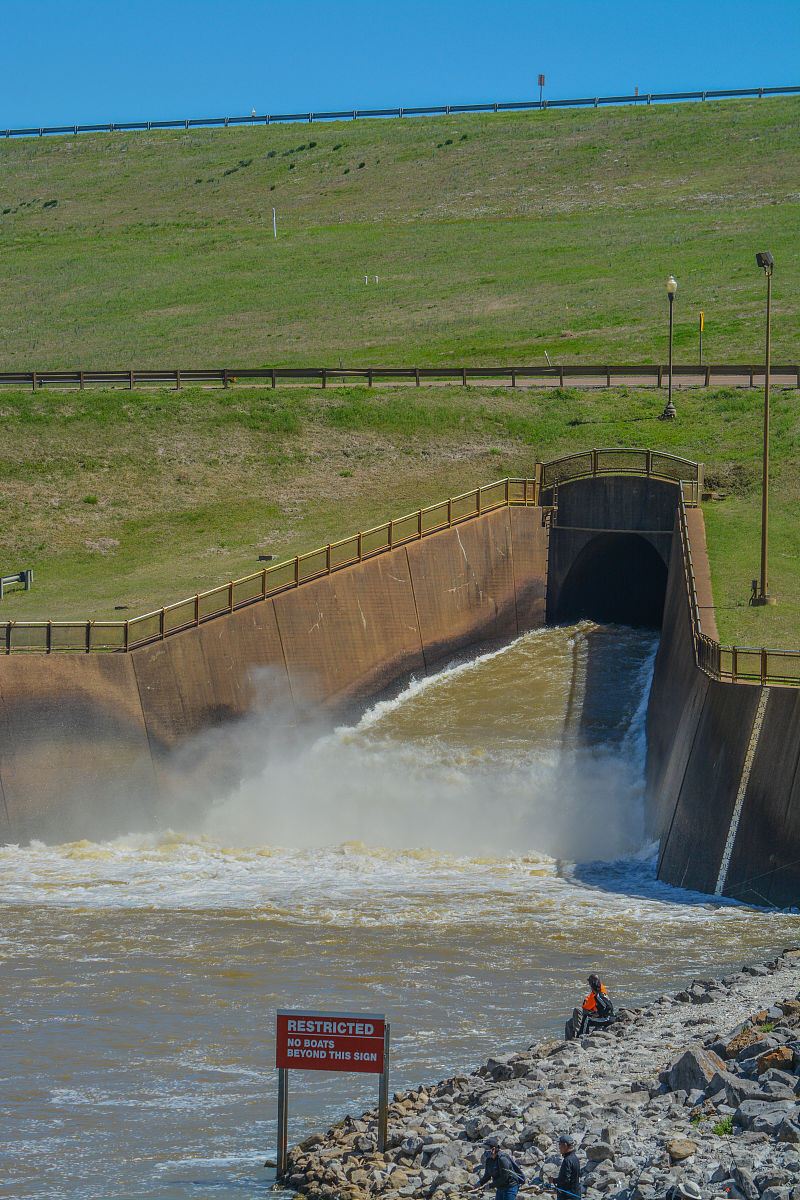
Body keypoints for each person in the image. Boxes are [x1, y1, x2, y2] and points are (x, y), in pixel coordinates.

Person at [472, 1135, 526, 1200]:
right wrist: (479, 1183)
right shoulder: (489, 1160)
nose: (485, 1151)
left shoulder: (502, 1159)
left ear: (493, 1149)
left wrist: (490, 1185)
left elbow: (504, 1177)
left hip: (510, 1187)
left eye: (487, 1149)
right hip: (500, 1188)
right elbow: (487, 1175)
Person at [564, 973, 614, 1040]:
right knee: (569, 1022)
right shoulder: (597, 990)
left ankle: (581, 1035)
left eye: (590, 983)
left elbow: (608, 1007)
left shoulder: (600, 994)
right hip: (595, 1011)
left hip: (604, 1016)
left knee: (582, 1014)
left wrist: (598, 1014)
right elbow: (590, 999)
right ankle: (570, 1039)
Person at [555, 1134, 581, 1200]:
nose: (559, 1147)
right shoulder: (575, 1158)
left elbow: (565, 1180)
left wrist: (553, 1180)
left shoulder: (567, 1160)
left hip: (567, 1197)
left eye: (560, 1144)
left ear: (565, 1145)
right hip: (576, 1195)